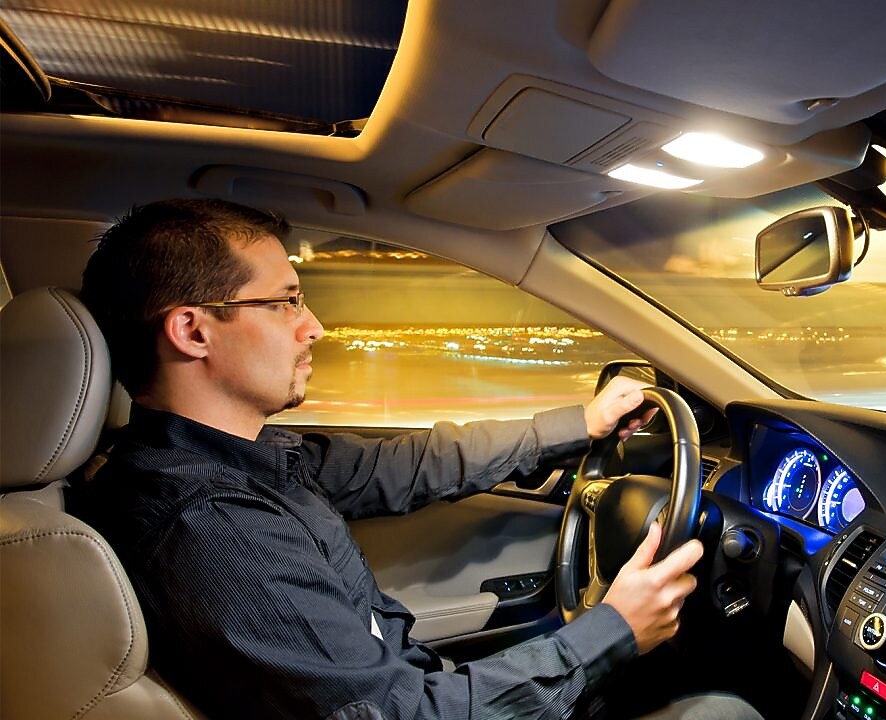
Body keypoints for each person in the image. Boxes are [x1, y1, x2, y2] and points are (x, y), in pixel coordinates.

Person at [72, 199, 761, 720]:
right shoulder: (208, 526)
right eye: (285, 302)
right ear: (192, 330)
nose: (314, 326)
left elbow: (403, 465)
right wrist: (614, 630)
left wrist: (581, 423)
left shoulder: (233, 461)